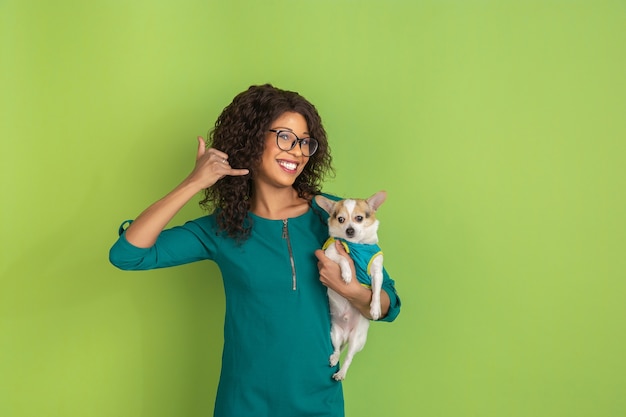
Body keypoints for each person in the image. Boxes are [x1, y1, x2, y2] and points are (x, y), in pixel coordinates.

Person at [109, 84, 401, 417]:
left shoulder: (333, 218)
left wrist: (350, 291)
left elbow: (389, 303)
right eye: (285, 137)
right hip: (244, 405)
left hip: (318, 404)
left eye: (305, 142)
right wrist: (194, 182)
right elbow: (128, 253)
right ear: (252, 139)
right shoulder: (222, 228)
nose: (297, 151)